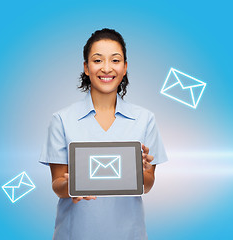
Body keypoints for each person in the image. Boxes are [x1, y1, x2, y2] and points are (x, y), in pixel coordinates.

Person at [39, 28, 168, 240]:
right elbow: (57, 185)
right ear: (86, 68)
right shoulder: (62, 119)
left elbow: (147, 185)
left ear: (125, 67)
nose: (106, 68)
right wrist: (73, 186)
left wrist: (141, 171)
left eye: (115, 60)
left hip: (129, 234)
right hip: (75, 234)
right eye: (98, 60)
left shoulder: (145, 119)